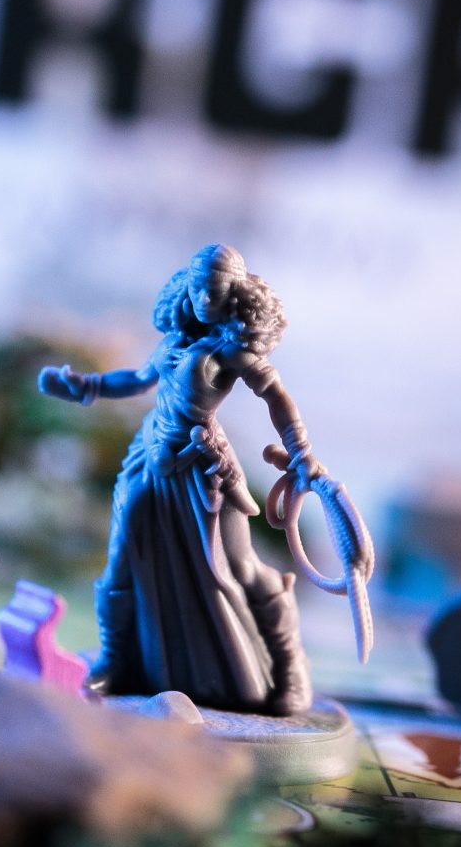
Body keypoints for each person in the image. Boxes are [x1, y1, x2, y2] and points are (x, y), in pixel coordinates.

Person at [38, 243, 330, 715]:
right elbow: (137, 379)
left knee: (241, 567)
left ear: (233, 295)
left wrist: (300, 450)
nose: (205, 298)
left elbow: (276, 397)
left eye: (216, 290)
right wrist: (87, 386)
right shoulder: (174, 341)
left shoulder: (232, 350)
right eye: (199, 288)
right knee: (122, 560)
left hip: (203, 466)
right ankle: (116, 660)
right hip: (150, 456)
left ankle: (290, 667)